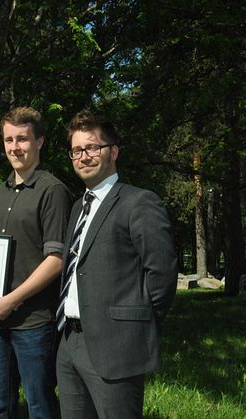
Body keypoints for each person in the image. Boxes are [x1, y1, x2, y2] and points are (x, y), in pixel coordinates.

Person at [56, 109, 177, 418]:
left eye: (92, 148)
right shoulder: (77, 208)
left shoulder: (139, 202)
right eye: (76, 150)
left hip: (117, 347)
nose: (84, 157)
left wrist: (134, 327)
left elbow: (161, 272)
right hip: (69, 343)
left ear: (113, 152)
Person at [0, 107, 72, 418]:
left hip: (33, 321)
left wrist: (12, 300)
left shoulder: (53, 190)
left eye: (22, 139)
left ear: (40, 142)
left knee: (40, 407)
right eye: (8, 139)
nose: (14, 147)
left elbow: (56, 259)